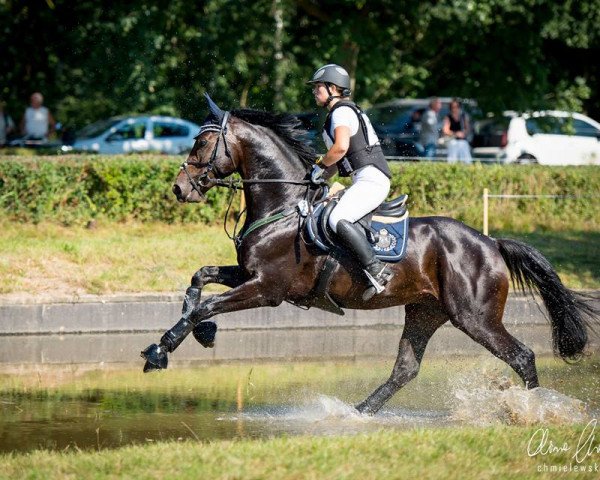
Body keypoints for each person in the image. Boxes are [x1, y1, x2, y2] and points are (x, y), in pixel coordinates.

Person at [307, 64, 394, 301]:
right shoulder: (337, 114)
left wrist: (319, 167)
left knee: (337, 218)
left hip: (372, 180)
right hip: (363, 179)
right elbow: (337, 161)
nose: (315, 92)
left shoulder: (341, 112)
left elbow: (341, 148)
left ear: (333, 88)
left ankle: (377, 269)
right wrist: (315, 178)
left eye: (318, 87)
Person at [442, 99, 472, 163]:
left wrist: (463, 133)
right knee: (452, 160)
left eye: (457, 106)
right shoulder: (448, 117)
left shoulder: (463, 117)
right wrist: (455, 134)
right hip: (452, 140)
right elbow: (445, 130)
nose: (455, 109)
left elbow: (467, 129)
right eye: (453, 107)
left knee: (466, 159)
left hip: (462, 141)